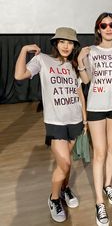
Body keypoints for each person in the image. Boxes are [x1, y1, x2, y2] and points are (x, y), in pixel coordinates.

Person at [14, 27, 87, 223]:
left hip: (75, 120)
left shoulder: (73, 65)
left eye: (70, 42)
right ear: (55, 43)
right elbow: (19, 75)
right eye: (62, 41)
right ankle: (54, 198)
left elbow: (79, 93)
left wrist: (85, 119)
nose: (66, 46)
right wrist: (23, 50)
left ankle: (64, 189)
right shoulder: (43, 60)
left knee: (66, 162)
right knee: (65, 163)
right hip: (55, 122)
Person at [77, 12, 112, 226]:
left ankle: (107, 185)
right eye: (104, 25)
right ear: (98, 29)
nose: (108, 28)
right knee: (99, 152)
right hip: (95, 107)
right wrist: (81, 61)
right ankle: (99, 203)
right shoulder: (90, 51)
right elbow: (86, 80)